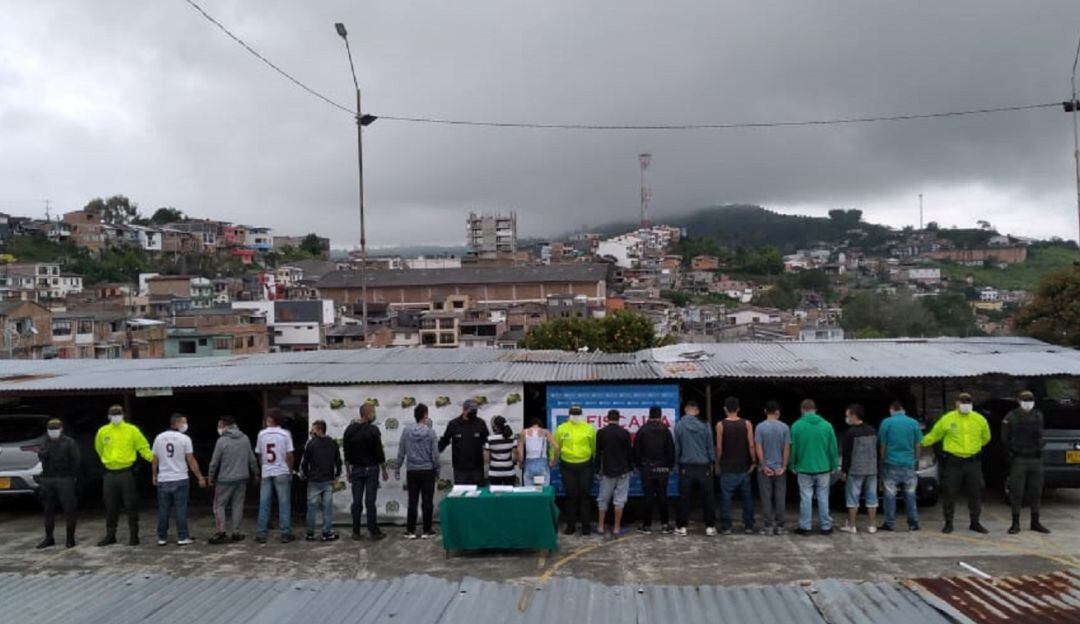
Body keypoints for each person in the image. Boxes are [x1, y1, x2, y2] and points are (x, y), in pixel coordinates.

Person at [921, 393, 991, 534]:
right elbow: (934, 435)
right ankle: (948, 523)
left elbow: (986, 438)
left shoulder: (979, 419)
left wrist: (973, 448)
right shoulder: (947, 419)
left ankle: (975, 522)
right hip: (954, 462)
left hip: (973, 462)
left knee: (976, 492)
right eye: (963, 401)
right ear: (956, 403)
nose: (965, 404)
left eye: (968, 402)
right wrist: (920, 442)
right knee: (949, 493)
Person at [94, 404, 153, 546]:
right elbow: (99, 449)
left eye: (118, 413)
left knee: (130, 505)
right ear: (108, 416)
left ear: (123, 415)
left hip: (126, 473)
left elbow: (143, 447)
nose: (115, 416)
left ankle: (134, 535)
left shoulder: (132, 430)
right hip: (109, 473)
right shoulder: (103, 431)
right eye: (113, 414)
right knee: (110, 505)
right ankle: (110, 535)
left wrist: (153, 459)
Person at [151, 413, 207, 546]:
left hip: (164, 478)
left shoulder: (159, 438)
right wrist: (199, 477)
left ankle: (162, 537)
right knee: (180, 509)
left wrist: (154, 475)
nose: (185, 425)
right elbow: (191, 460)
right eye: (184, 422)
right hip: (180, 478)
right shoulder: (185, 439)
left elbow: (155, 459)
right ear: (175, 423)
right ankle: (182, 536)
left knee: (163, 509)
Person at [1001, 390, 1050, 534]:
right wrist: (1012, 452)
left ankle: (1035, 522)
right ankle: (1015, 523)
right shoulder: (1012, 416)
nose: (1028, 402)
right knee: (1017, 492)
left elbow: (1040, 434)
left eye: (1030, 399)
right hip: (1020, 459)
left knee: (1036, 491)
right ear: (1019, 400)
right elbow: (1005, 438)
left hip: (1035, 458)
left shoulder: (1038, 415)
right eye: (1025, 399)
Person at [207, 414, 259, 545]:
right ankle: (236, 531)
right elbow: (252, 459)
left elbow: (214, 462)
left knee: (219, 505)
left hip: (225, 479)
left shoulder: (221, 441)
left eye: (219, 426)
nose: (218, 428)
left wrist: (211, 476)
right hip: (242, 478)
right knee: (238, 505)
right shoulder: (245, 438)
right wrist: (256, 473)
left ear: (225, 426)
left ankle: (221, 532)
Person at [790, 399, 838, 536]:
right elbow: (833, 448)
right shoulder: (827, 426)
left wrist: (792, 464)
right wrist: (834, 464)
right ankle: (826, 526)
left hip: (804, 468)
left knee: (806, 497)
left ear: (802, 410)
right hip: (823, 468)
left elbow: (793, 448)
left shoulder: (796, 426)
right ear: (815, 410)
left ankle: (805, 527)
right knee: (823, 496)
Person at [343, 402, 388, 540]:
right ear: (368, 414)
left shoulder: (349, 430)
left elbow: (346, 453)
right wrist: (384, 469)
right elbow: (379, 452)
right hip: (371, 470)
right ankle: (373, 530)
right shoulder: (373, 430)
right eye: (373, 411)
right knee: (370, 501)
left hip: (356, 470)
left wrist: (348, 471)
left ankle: (356, 531)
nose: (374, 414)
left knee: (356, 502)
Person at [395, 403, 440, 539]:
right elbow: (435, 455)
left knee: (412, 501)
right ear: (425, 415)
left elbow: (401, 450)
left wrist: (398, 467)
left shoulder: (406, 431)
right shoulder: (430, 432)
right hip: (427, 471)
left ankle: (410, 531)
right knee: (427, 501)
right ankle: (427, 530)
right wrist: (437, 470)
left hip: (412, 471)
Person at [673, 400, 717, 536]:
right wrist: (712, 462)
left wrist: (676, 463)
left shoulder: (679, 425)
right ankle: (710, 527)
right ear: (697, 411)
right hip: (704, 466)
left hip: (686, 467)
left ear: (686, 410)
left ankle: (682, 527)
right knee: (708, 498)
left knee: (684, 498)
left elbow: (677, 448)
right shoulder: (705, 425)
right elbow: (710, 446)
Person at [36, 418, 81, 549]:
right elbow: (40, 456)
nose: (53, 432)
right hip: (48, 479)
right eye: (50, 429)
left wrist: (71, 475)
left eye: (55, 429)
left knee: (69, 510)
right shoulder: (44, 441)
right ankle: (49, 538)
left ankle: (70, 538)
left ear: (61, 429)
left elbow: (76, 460)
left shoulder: (69, 442)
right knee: (48, 510)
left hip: (64, 478)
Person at [877, 400, 922, 532]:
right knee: (910, 495)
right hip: (909, 464)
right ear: (903, 409)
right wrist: (916, 460)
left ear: (892, 409)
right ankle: (913, 524)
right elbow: (918, 445)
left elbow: (883, 445)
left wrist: (882, 460)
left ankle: (890, 523)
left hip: (891, 463)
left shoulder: (886, 422)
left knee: (890, 496)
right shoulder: (913, 423)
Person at [715, 396, 756, 535]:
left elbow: (719, 447)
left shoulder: (720, 425)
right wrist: (754, 461)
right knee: (747, 497)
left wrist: (717, 463)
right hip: (744, 466)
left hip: (727, 467)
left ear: (725, 409)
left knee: (726, 497)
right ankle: (749, 525)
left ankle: (726, 527)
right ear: (738, 409)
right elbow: (751, 445)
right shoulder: (747, 424)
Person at [554, 405, 597, 536]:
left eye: (578, 413)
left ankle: (586, 527)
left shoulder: (589, 428)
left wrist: (593, 460)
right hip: (567, 465)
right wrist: (553, 460)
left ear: (582, 414)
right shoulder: (561, 428)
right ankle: (570, 526)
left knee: (585, 496)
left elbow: (594, 447)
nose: (576, 415)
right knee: (571, 497)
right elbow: (556, 446)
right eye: (573, 413)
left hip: (586, 465)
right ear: (569, 414)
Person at [633, 405, 676, 535]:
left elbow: (636, 451)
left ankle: (647, 526)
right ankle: (665, 525)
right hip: (662, 467)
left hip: (647, 467)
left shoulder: (642, 430)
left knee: (648, 497)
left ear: (649, 415)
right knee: (663, 495)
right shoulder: (665, 430)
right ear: (660, 416)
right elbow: (671, 451)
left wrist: (640, 466)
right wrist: (669, 467)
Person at [255, 409, 295, 544]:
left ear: (270, 420)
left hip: (267, 471)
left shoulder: (261, 434)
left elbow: (260, 454)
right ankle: (285, 533)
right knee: (284, 503)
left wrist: (263, 468)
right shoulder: (285, 434)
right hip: (281, 470)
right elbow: (289, 454)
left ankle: (261, 533)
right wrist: (290, 470)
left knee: (264, 503)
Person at [300, 419, 342, 542]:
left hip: (314, 480)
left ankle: (310, 533)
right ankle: (326, 533)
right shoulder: (332, 443)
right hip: (328, 480)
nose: (311, 431)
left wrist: (307, 475)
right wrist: (337, 474)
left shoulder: (311, 444)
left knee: (311, 508)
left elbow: (304, 463)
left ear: (319, 430)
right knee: (327, 508)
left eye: (313, 429)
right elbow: (338, 461)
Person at [838, 404, 878, 534]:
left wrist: (844, 470)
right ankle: (872, 525)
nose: (846, 418)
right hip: (871, 469)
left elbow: (847, 454)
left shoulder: (850, 433)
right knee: (872, 497)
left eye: (847, 415)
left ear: (854, 416)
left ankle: (852, 526)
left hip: (855, 470)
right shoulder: (872, 430)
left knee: (852, 498)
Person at [754, 401, 790, 536]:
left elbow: (758, 447)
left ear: (765, 411)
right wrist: (784, 466)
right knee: (780, 497)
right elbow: (786, 448)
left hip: (765, 470)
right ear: (777, 412)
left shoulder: (760, 427)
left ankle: (768, 526)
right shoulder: (785, 427)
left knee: (766, 498)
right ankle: (780, 527)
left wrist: (763, 466)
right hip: (779, 469)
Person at [595, 409, 633, 536]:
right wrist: (631, 468)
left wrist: (596, 470)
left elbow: (598, 454)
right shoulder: (624, 433)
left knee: (603, 499)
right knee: (620, 500)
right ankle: (616, 528)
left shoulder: (601, 433)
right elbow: (629, 453)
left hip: (606, 470)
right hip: (623, 470)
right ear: (619, 419)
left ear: (607, 418)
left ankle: (600, 527)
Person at [439, 399, 490, 485]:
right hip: (460, 469)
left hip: (477, 468)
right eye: (472, 411)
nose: (474, 413)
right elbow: (444, 441)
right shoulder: (453, 424)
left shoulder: (480, 423)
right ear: (464, 410)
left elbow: (488, 442)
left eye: (476, 411)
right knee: (461, 496)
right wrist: (433, 454)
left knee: (478, 496)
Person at [518, 417, 558, 486]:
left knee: (530, 493)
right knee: (542, 492)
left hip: (529, 465)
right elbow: (556, 447)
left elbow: (519, 451)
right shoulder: (545, 432)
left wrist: (521, 463)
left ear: (531, 425)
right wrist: (554, 461)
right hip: (542, 465)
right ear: (540, 425)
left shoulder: (524, 432)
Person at [485, 416, 519, 486]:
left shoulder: (489, 439)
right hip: (509, 472)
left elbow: (486, 459)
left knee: (495, 495)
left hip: (494, 472)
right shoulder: (512, 438)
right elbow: (515, 457)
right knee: (509, 495)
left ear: (495, 427)